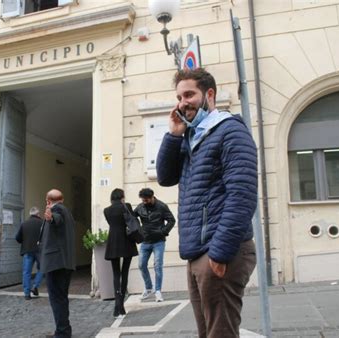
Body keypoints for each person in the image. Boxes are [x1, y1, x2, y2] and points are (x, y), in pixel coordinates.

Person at [156, 68, 258, 338]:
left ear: (209, 94)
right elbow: (165, 177)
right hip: (198, 252)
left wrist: (220, 253)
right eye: (179, 96)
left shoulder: (229, 132)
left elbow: (242, 195)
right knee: (209, 333)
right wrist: (174, 135)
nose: (182, 102)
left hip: (221, 251)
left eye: (189, 94)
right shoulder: (193, 135)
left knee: (220, 333)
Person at [39, 189, 75, 338]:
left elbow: (56, 219)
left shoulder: (58, 210)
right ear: (63, 199)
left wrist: (51, 217)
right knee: (62, 298)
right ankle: (63, 330)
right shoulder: (67, 212)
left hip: (56, 263)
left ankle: (62, 333)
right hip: (64, 262)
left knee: (57, 299)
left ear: (48, 201)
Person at [134, 188, 175, 302]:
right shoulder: (140, 207)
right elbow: (133, 217)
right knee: (141, 265)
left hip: (159, 242)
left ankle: (158, 291)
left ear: (152, 197)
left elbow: (172, 220)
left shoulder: (162, 206)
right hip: (145, 241)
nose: (144, 202)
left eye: (146, 200)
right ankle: (148, 288)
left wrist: (163, 231)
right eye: (143, 200)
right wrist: (138, 229)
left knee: (157, 266)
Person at [103, 188, 138, 318]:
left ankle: (117, 305)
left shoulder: (106, 210)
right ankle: (121, 304)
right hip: (127, 240)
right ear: (122, 196)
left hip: (113, 241)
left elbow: (111, 223)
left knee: (116, 274)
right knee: (125, 272)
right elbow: (132, 220)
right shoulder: (126, 206)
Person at [16, 206, 44, 300]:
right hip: (39, 250)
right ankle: (35, 286)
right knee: (42, 268)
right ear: (37, 214)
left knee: (26, 272)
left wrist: (25, 241)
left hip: (27, 250)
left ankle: (27, 294)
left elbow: (18, 238)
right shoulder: (42, 223)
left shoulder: (24, 224)